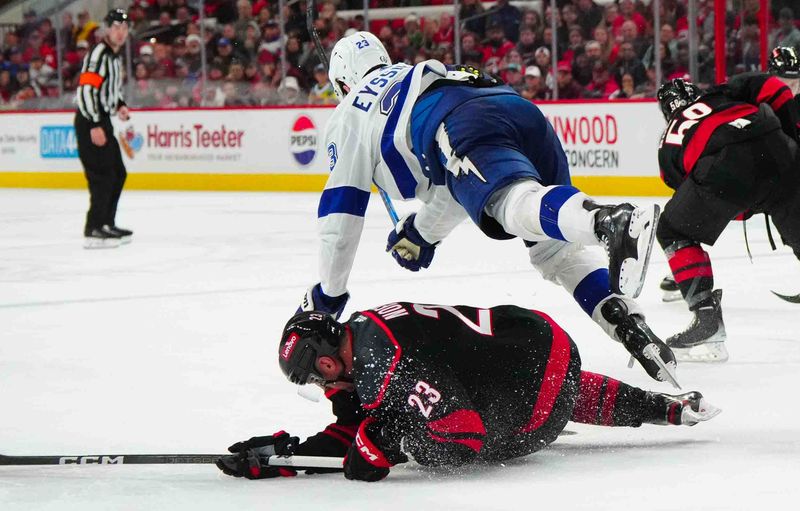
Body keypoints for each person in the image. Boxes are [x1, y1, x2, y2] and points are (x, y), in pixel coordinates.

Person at [297, 31, 677, 386]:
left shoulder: (349, 110)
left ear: (342, 84)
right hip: (514, 107)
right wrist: (420, 234)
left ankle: (604, 221)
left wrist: (329, 296)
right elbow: (455, 189)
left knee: (509, 201)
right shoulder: (407, 76)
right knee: (554, 248)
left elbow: (340, 215)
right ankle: (629, 327)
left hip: (459, 119)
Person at [216, 304, 719, 482]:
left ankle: (658, 409)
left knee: (482, 426)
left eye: (318, 379)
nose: (325, 388)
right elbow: (362, 421)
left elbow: (464, 439)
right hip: (537, 342)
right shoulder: (365, 332)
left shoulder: (384, 366)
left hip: (533, 393)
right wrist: (291, 457)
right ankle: (664, 410)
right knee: (532, 386)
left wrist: (388, 445)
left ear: (326, 363)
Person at [654, 77, 800, 362]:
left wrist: (746, 202)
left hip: (727, 169)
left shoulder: (668, 139)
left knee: (672, 230)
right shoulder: (722, 93)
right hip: (779, 147)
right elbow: (775, 87)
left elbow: (698, 201)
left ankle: (706, 320)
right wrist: (792, 137)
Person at [75, 9, 133, 249]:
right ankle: (94, 227)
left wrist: (119, 104)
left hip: (102, 120)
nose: (120, 33)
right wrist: (95, 123)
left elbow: (107, 89)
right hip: (91, 121)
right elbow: (86, 91)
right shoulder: (99, 53)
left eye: (124, 29)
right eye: (116, 27)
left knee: (118, 173)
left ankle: (106, 223)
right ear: (107, 29)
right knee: (103, 176)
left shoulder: (113, 57)